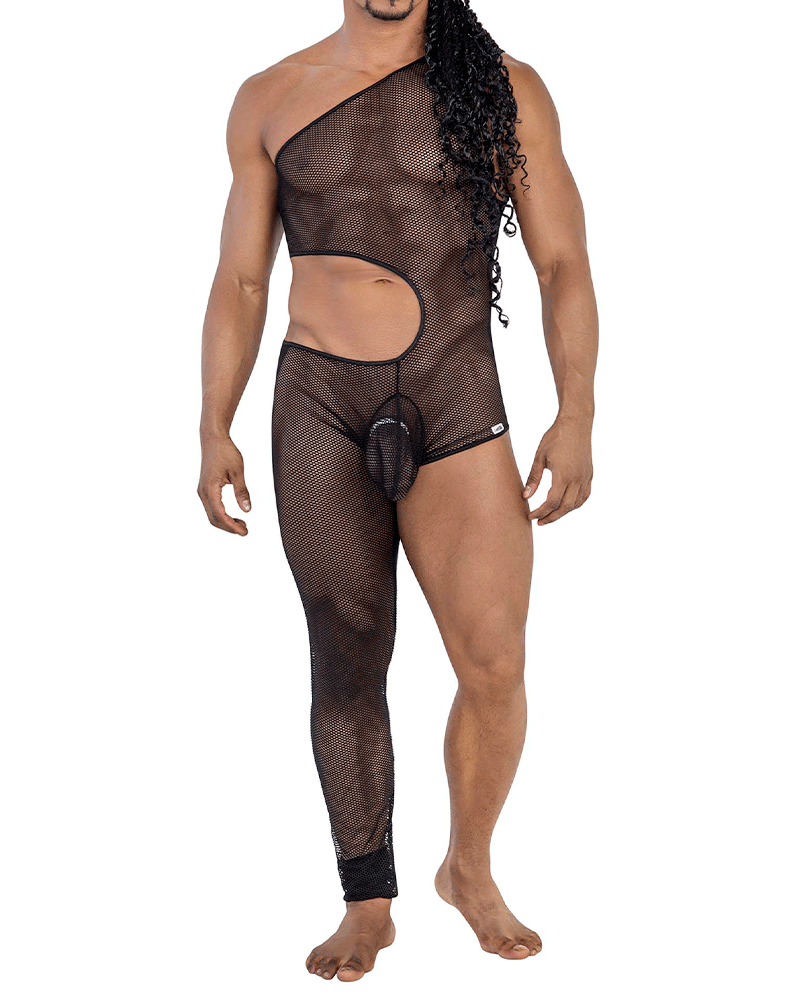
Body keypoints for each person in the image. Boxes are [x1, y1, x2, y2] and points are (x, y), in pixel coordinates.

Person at [197, 0, 597, 982]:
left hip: (455, 396)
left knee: (495, 661)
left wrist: (577, 410)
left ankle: (469, 866)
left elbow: (560, 261)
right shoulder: (269, 97)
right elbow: (241, 281)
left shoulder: (503, 87)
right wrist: (213, 422)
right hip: (318, 405)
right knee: (345, 655)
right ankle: (367, 900)